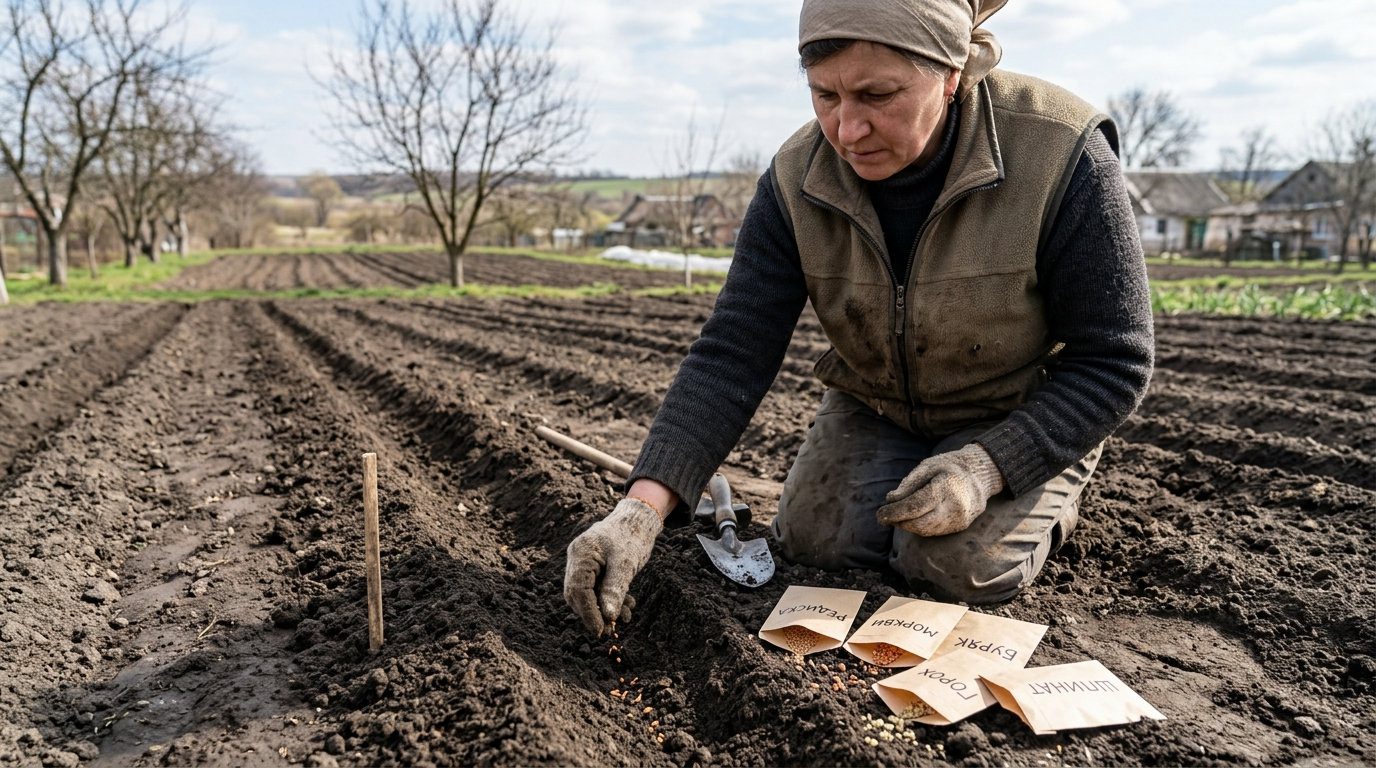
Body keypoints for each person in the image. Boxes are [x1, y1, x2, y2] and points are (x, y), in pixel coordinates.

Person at [564, 0, 1154, 637]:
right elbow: (733, 349)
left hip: (1017, 411)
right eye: (824, 96)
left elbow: (1115, 359)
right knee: (816, 549)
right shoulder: (796, 179)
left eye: (878, 95)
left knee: (954, 567)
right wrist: (641, 509)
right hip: (878, 405)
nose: (847, 131)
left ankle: (1049, 491)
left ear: (953, 73)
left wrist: (989, 467)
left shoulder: (1061, 154)